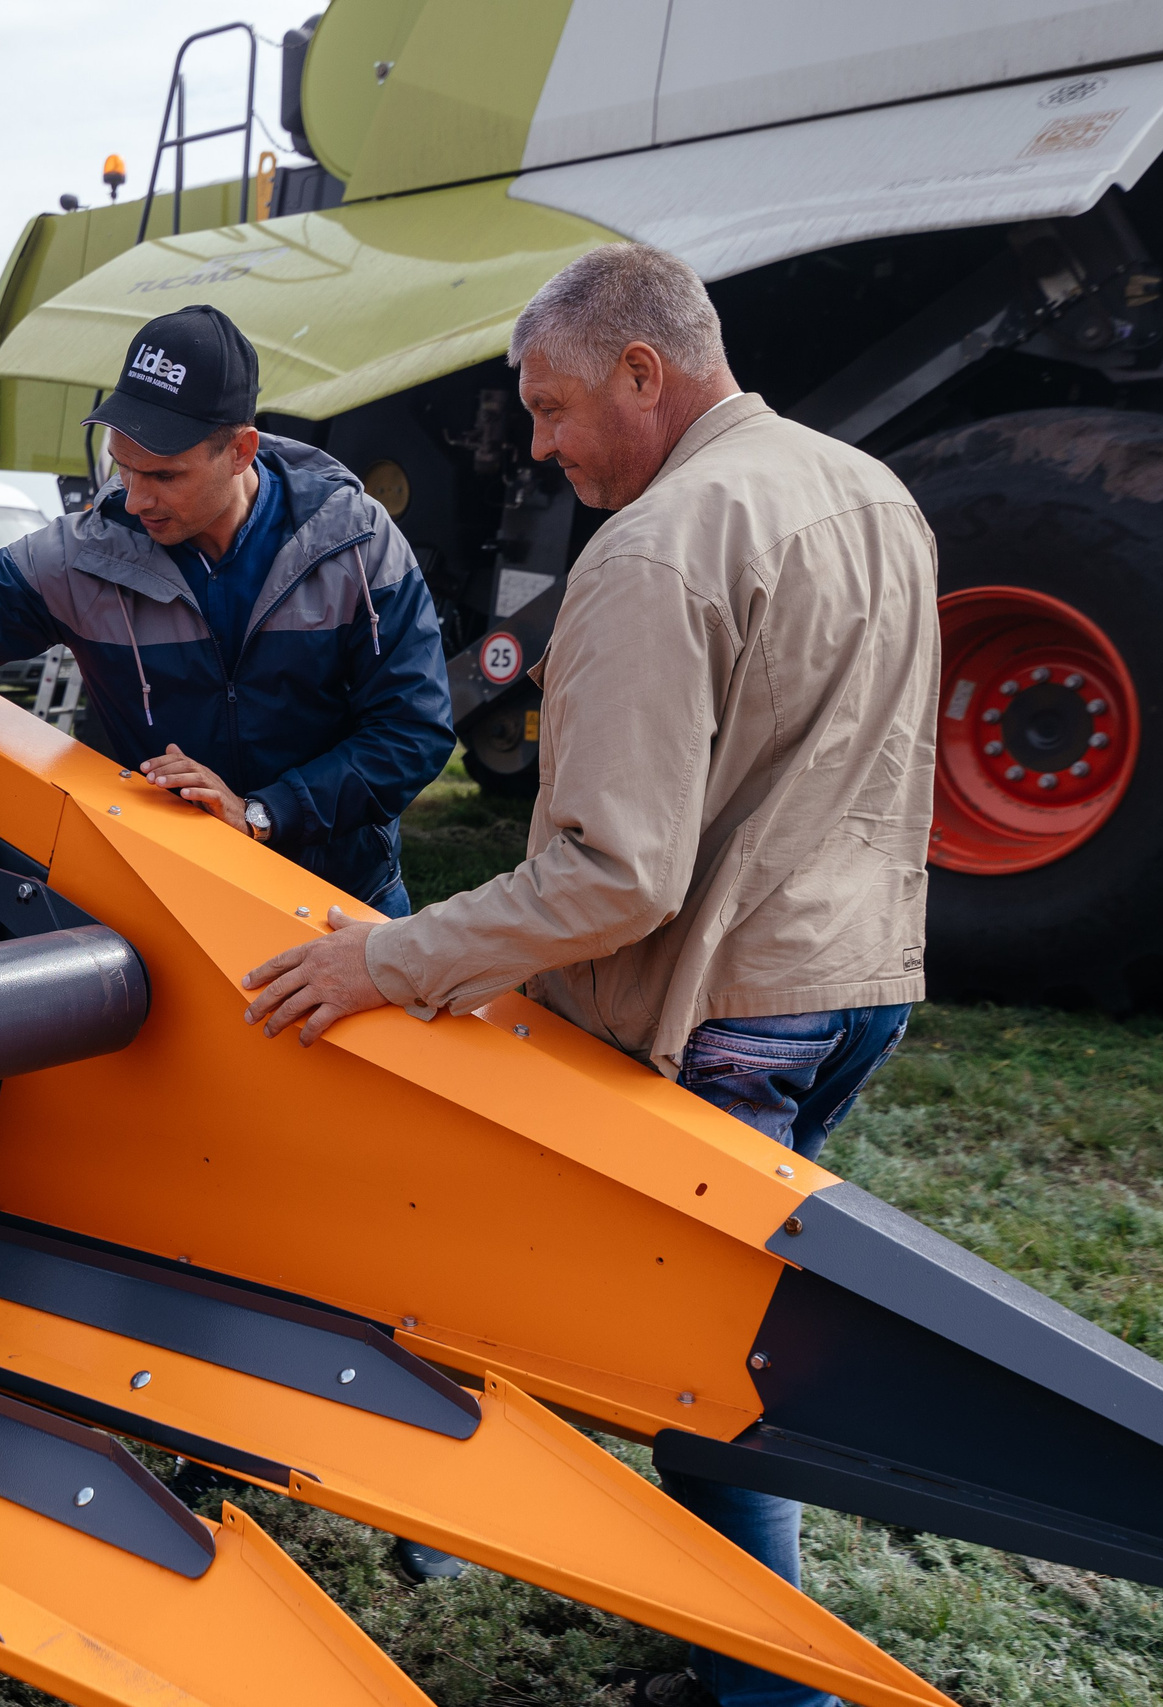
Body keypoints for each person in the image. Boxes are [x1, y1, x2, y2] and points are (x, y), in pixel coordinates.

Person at [241, 244, 938, 1707]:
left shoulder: (655, 549)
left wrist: (390, 957)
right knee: (725, 1336)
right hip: (858, 978)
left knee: (696, 1372)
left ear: (645, 370)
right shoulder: (870, 492)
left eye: (554, 410)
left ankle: (776, 1687)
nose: (543, 447)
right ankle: (720, 1636)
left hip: (728, 1007)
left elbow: (614, 874)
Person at [0, 303, 452, 952]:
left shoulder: (356, 544)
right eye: (123, 465)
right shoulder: (81, 558)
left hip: (341, 901)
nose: (136, 496)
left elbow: (413, 730)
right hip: (167, 904)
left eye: (164, 474)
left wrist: (264, 813)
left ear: (241, 450)